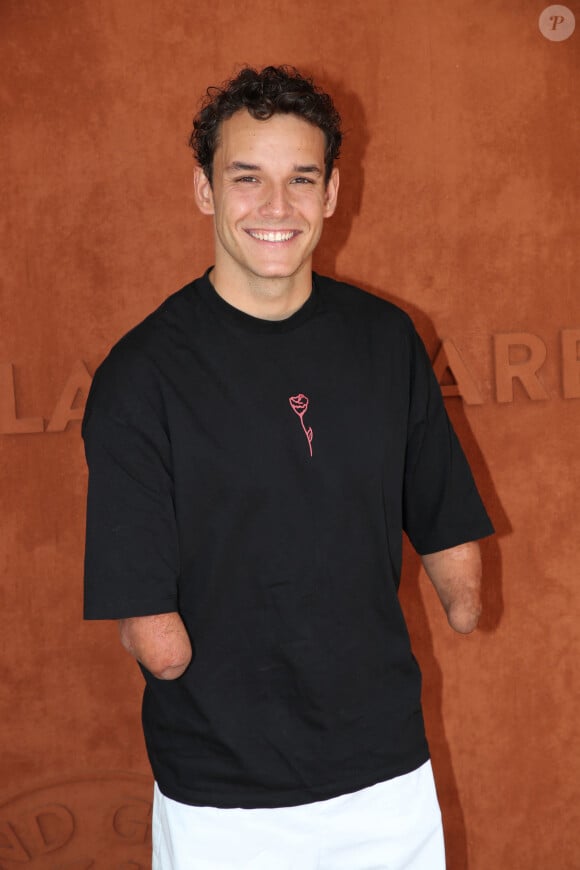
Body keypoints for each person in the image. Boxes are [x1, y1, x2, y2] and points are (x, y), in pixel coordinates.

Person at [82, 65, 494, 869]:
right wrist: (460, 602)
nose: (277, 208)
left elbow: (450, 537)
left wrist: (463, 601)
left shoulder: (386, 341)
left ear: (333, 191)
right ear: (204, 190)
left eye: (301, 178)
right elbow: (153, 639)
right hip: (223, 803)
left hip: (384, 779)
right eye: (247, 179)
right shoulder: (142, 376)